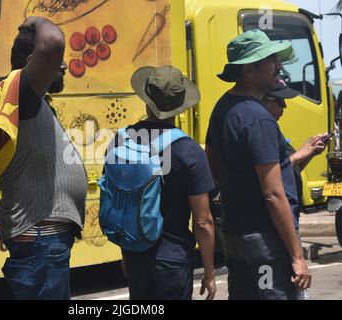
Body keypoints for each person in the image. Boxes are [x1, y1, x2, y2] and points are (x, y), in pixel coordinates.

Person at [0, 17, 87, 300]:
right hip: (40, 239)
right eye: (55, 60)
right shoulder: (22, 95)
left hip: (43, 240)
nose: (62, 65)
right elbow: (53, 41)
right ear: (31, 61)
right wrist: (37, 20)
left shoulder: (25, 100)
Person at [205, 29, 312, 300]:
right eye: (272, 59)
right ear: (250, 71)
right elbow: (273, 194)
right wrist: (298, 257)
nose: (279, 65)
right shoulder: (258, 118)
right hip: (265, 240)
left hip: (235, 236)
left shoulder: (222, 108)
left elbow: (212, 168)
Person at [114, 65, 216, 300]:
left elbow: (122, 204)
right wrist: (209, 273)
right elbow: (203, 221)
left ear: (146, 101)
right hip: (173, 258)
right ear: (180, 107)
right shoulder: (188, 151)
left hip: (135, 253)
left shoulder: (123, 141)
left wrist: (126, 254)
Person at [261, 80, 329, 220]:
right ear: (266, 101)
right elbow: (271, 176)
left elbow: (290, 171)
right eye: (280, 102)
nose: (285, 106)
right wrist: (299, 154)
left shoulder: (274, 130)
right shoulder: (262, 132)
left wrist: (310, 153)